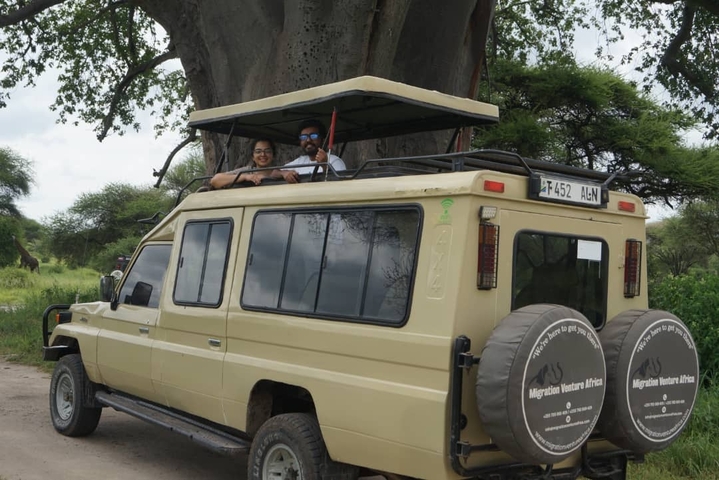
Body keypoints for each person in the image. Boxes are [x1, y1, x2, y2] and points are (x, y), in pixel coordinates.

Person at [276, 119, 346, 183]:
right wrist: (284, 173)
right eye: (304, 137)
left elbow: (341, 185)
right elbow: (273, 172)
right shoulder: (300, 161)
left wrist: (325, 166)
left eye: (313, 136)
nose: (308, 140)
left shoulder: (334, 161)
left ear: (323, 140)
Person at [210, 138, 277, 189]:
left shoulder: (280, 172)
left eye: (267, 151)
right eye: (258, 151)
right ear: (252, 156)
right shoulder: (247, 171)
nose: (263, 154)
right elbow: (215, 180)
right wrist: (245, 177)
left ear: (273, 155)